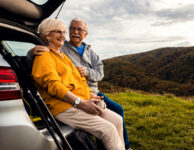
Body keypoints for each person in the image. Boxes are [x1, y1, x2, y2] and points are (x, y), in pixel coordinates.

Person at [28, 18, 132, 150]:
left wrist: (91, 95)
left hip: (81, 99)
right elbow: (53, 84)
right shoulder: (44, 55)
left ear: (85, 34)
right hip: (62, 105)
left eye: (64, 32)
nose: (63, 35)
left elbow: (81, 80)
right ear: (47, 35)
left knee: (117, 119)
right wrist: (80, 103)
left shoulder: (64, 57)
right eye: (58, 32)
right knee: (108, 130)